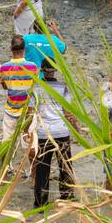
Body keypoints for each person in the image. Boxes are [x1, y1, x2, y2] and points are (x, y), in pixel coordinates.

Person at [31, 59, 77, 208]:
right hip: (61, 132)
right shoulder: (62, 87)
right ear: (54, 70)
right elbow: (68, 112)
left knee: (43, 168)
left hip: (44, 133)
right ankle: (67, 197)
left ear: (42, 70)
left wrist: (27, 131)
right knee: (65, 165)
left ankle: (41, 202)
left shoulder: (36, 88)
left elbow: (31, 112)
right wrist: (76, 127)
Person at [0, 36, 39, 172]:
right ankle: (33, 172)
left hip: (11, 109)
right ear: (24, 49)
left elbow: (5, 87)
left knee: (7, 140)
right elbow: (34, 86)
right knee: (30, 141)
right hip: (28, 110)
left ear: (11, 49)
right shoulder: (32, 67)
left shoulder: (3, 68)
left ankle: (5, 169)